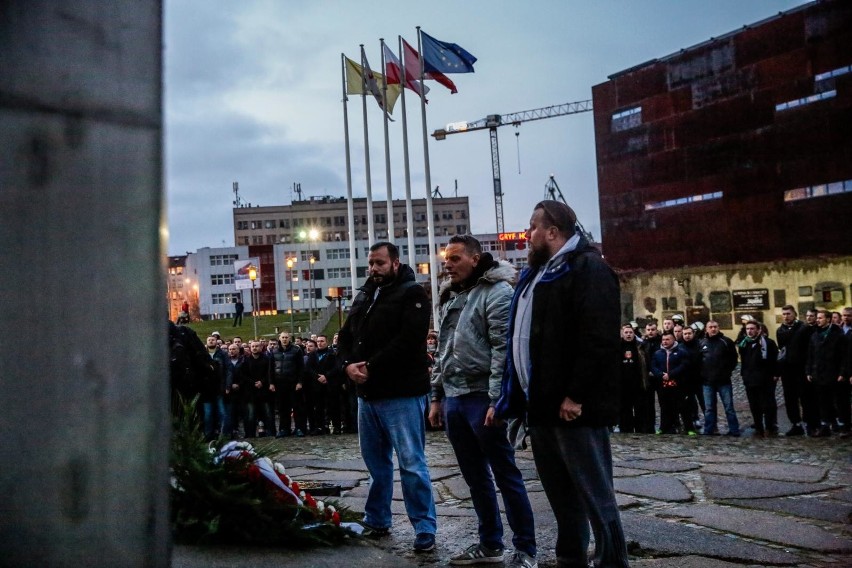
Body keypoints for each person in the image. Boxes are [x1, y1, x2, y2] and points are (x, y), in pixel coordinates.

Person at [495, 200, 630, 568]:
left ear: (553, 232)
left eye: (533, 226)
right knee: (560, 494)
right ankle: (571, 558)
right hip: (540, 405)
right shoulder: (538, 272)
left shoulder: (588, 268)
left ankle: (612, 560)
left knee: (594, 491)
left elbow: (598, 339)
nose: (527, 233)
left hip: (573, 409)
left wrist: (576, 394)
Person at [429, 235, 537, 568]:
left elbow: (503, 352)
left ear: (475, 259)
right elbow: (443, 350)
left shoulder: (498, 293)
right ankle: (490, 543)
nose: (448, 264)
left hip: (482, 399)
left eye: (456, 258)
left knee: (506, 474)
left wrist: (498, 400)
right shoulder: (454, 297)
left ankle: (525, 549)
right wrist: (437, 396)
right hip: (456, 399)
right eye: (446, 259)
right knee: (475, 478)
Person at [337, 241, 437, 553]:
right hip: (367, 395)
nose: (373, 269)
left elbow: (409, 340)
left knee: (410, 463)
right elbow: (346, 335)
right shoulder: (366, 293)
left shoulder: (412, 293)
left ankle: (424, 525)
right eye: (370, 264)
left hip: (401, 393)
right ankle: (377, 517)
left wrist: (371, 366)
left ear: (395, 263)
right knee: (376, 465)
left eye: (379, 263)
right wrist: (346, 365)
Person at [806, 309, 848, 437]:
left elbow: (844, 356)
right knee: (823, 401)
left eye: (820, 318)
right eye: (817, 318)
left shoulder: (838, 335)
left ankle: (843, 426)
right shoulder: (814, 335)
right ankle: (826, 425)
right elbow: (810, 355)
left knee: (839, 401)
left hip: (834, 373)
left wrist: (842, 372)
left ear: (828, 319)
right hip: (819, 374)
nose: (817, 320)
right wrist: (809, 371)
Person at [738, 320, 780, 437]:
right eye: (747, 329)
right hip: (750, 379)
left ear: (758, 329)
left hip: (765, 379)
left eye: (752, 329)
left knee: (767, 405)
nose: (750, 331)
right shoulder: (744, 343)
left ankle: (770, 427)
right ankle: (758, 427)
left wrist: (775, 374)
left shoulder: (768, 343)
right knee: (754, 405)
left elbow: (775, 360)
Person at [699, 321, 740, 436]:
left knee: (729, 407)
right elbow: (698, 360)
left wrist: (727, 371)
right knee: (709, 408)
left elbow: (733, 359)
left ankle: (734, 430)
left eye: (715, 327)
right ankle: (709, 430)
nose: (713, 329)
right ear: (706, 329)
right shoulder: (702, 343)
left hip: (724, 381)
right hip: (707, 382)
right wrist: (702, 374)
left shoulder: (726, 342)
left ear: (719, 328)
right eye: (710, 327)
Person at [650, 331, 692, 435]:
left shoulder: (682, 352)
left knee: (683, 407)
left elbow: (684, 366)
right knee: (664, 407)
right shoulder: (658, 353)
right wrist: (660, 375)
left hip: (678, 384)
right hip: (663, 384)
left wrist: (671, 374)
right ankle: (664, 427)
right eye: (663, 340)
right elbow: (653, 366)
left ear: (673, 340)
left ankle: (689, 428)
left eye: (667, 339)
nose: (665, 342)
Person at [270, 332, 305, 438]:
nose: (284, 339)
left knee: (297, 407)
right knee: (283, 408)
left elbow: (301, 367)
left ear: (290, 338)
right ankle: (284, 429)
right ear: (279, 338)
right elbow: (271, 369)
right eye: (283, 337)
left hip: (293, 383)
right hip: (280, 383)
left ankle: (299, 428)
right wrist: (271, 382)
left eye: (286, 337)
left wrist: (300, 382)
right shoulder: (274, 351)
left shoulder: (296, 350)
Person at [618, 324, 650, 434]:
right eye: (626, 332)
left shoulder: (640, 346)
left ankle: (640, 429)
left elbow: (646, 362)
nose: (628, 334)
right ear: (622, 334)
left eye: (630, 332)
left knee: (639, 409)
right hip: (622, 384)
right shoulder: (618, 347)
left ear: (634, 334)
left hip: (638, 383)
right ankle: (626, 429)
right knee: (624, 409)